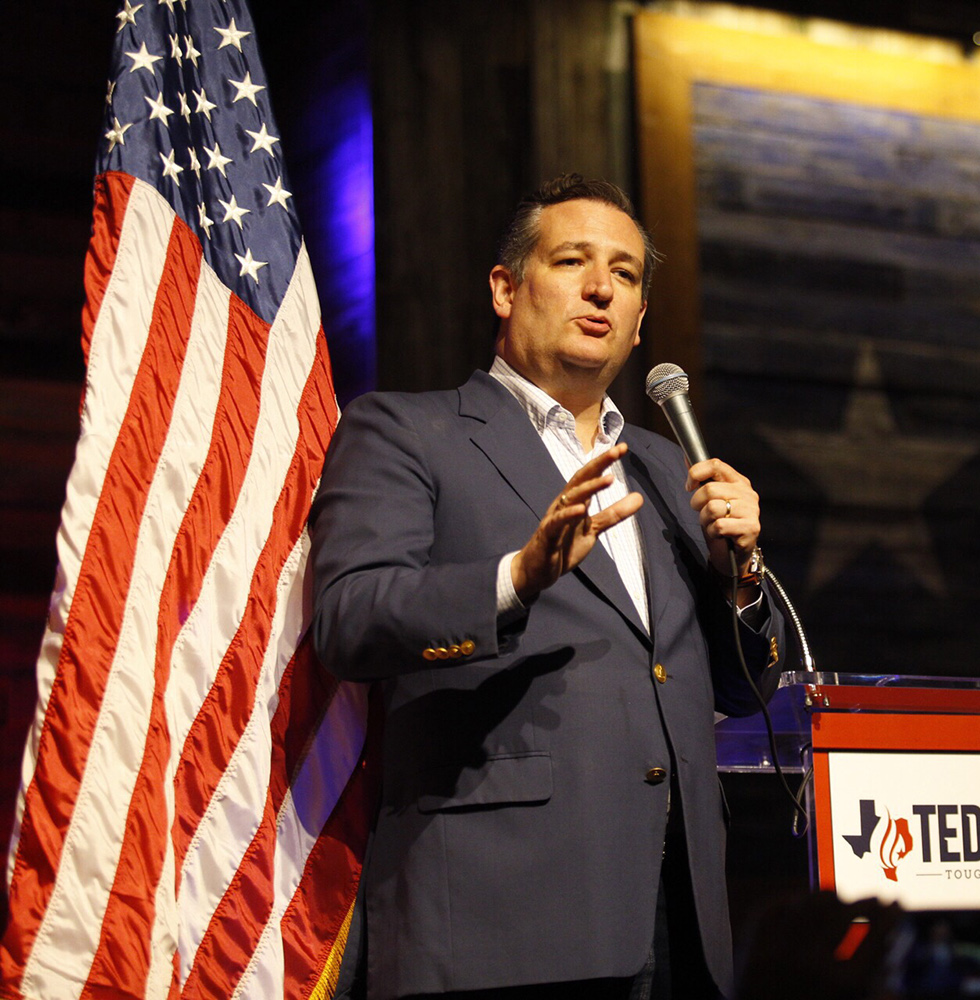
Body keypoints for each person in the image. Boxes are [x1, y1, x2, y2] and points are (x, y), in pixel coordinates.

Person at [309, 174, 785, 999]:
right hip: (500, 920)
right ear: (505, 287)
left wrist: (740, 573)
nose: (602, 287)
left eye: (627, 274)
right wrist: (514, 579)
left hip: (678, 916)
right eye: (572, 261)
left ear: (639, 324)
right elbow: (349, 620)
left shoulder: (669, 466)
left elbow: (744, 692)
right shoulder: (404, 430)